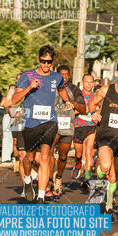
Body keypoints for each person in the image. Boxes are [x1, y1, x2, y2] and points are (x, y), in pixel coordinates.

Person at [12, 45, 84, 204]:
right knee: (28, 158)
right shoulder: (27, 75)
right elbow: (14, 99)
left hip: (50, 122)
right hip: (30, 123)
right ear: (39, 60)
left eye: (49, 62)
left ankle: (41, 195)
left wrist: (67, 101)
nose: (46, 65)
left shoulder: (57, 77)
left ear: (52, 62)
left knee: (45, 156)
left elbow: (62, 89)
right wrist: (29, 88)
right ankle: (28, 179)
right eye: (43, 61)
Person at [89, 59, 118, 219]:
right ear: (117, 74)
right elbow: (92, 104)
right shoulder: (106, 90)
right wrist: (93, 113)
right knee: (106, 166)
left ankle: (108, 203)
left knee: (115, 176)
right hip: (106, 135)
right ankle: (99, 185)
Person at [51, 65, 85, 197]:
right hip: (52, 125)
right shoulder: (51, 86)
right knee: (48, 153)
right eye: (62, 74)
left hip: (67, 127)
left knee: (63, 155)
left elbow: (83, 109)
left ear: (69, 76)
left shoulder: (74, 89)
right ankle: (48, 181)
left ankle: (58, 177)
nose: (64, 77)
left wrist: (70, 102)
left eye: (66, 74)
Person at [73, 74, 97, 186]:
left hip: (91, 127)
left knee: (89, 153)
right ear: (82, 82)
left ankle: (87, 180)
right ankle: (78, 164)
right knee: (78, 154)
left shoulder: (96, 96)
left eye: (91, 82)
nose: (89, 84)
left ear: (93, 83)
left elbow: (100, 109)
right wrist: (83, 110)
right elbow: (71, 112)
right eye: (87, 82)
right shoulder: (77, 95)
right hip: (78, 127)